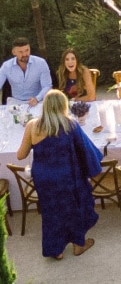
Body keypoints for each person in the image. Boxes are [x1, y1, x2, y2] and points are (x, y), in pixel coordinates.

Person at [15, 89, 102, 259]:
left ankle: (57, 251)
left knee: (51, 213)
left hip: (44, 179)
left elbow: (20, 155)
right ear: (63, 106)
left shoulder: (33, 125)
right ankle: (78, 245)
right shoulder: (70, 124)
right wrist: (93, 167)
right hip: (67, 176)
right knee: (74, 209)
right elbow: (86, 150)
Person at [0, 37, 53, 104]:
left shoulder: (41, 63)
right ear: (14, 52)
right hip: (15, 102)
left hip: (37, 101)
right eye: (21, 52)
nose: (24, 54)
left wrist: (37, 98)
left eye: (27, 50)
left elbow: (47, 86)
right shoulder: (6, 66)